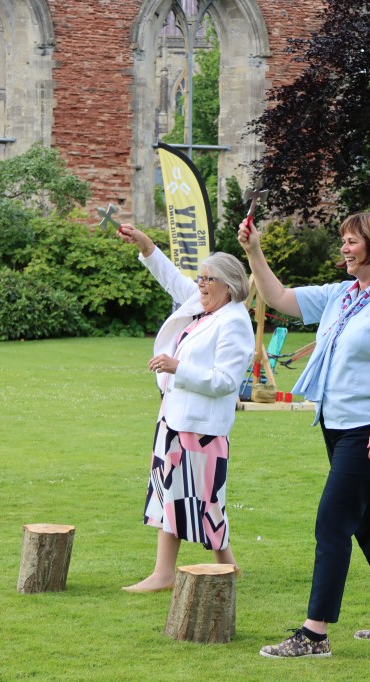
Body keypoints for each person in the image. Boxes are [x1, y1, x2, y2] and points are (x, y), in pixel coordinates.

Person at [238, 212, 370, 658]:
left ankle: (314, 634)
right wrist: (253, 250)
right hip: (337, 424)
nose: (344, 248)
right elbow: (279, 296)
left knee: (332, 522)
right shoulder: (342, 295)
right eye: (342, 240)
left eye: (352, 242)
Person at [116, 223, 255, 593]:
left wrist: (178, 367)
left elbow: (226, 380)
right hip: (175, 419)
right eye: (201, 277)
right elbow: (173, 280)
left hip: (201, 428)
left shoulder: (234, 321)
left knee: (201, 499)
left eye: (208, 279)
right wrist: (146, 246)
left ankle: (167, 574)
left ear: (229, 284)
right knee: (177, 493)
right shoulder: (205, 306)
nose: (200, 284)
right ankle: (222, 568)